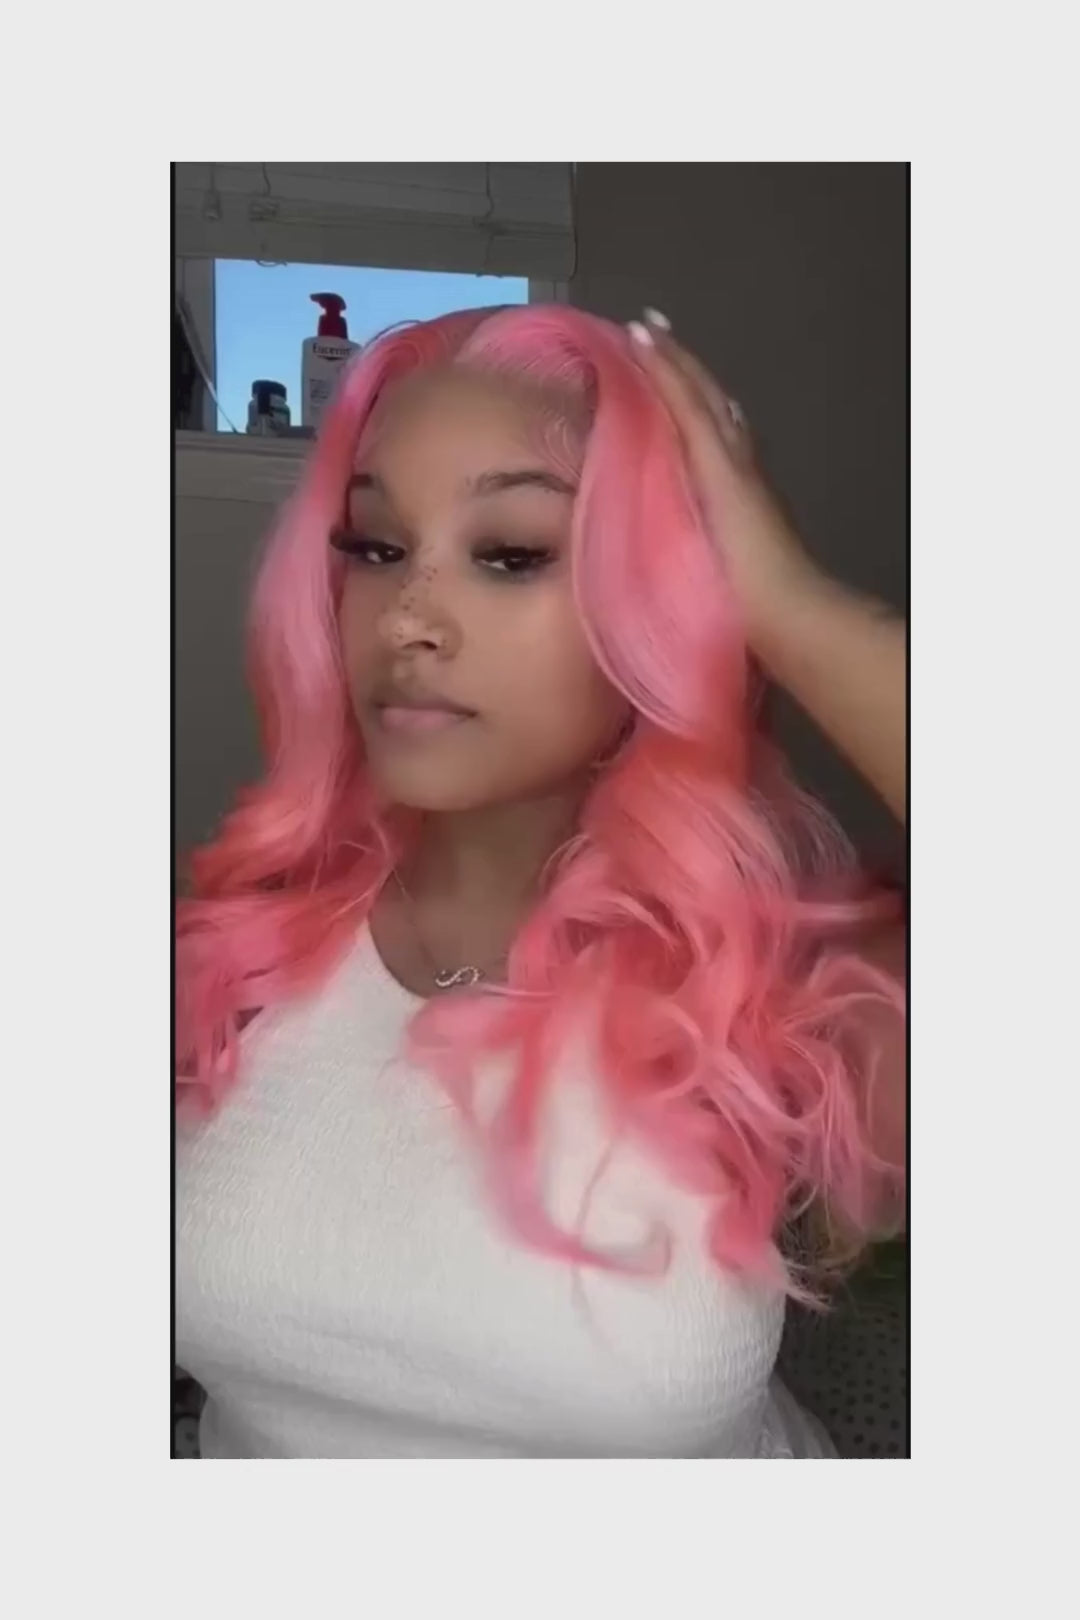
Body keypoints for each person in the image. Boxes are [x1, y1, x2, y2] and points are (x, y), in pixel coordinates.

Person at [176, 304, 906, 1459]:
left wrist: (789, 606)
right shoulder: (242, 952)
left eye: (510, 554)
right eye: (374, 547)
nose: (409, 619)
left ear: (654, 599)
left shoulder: (786, 980)